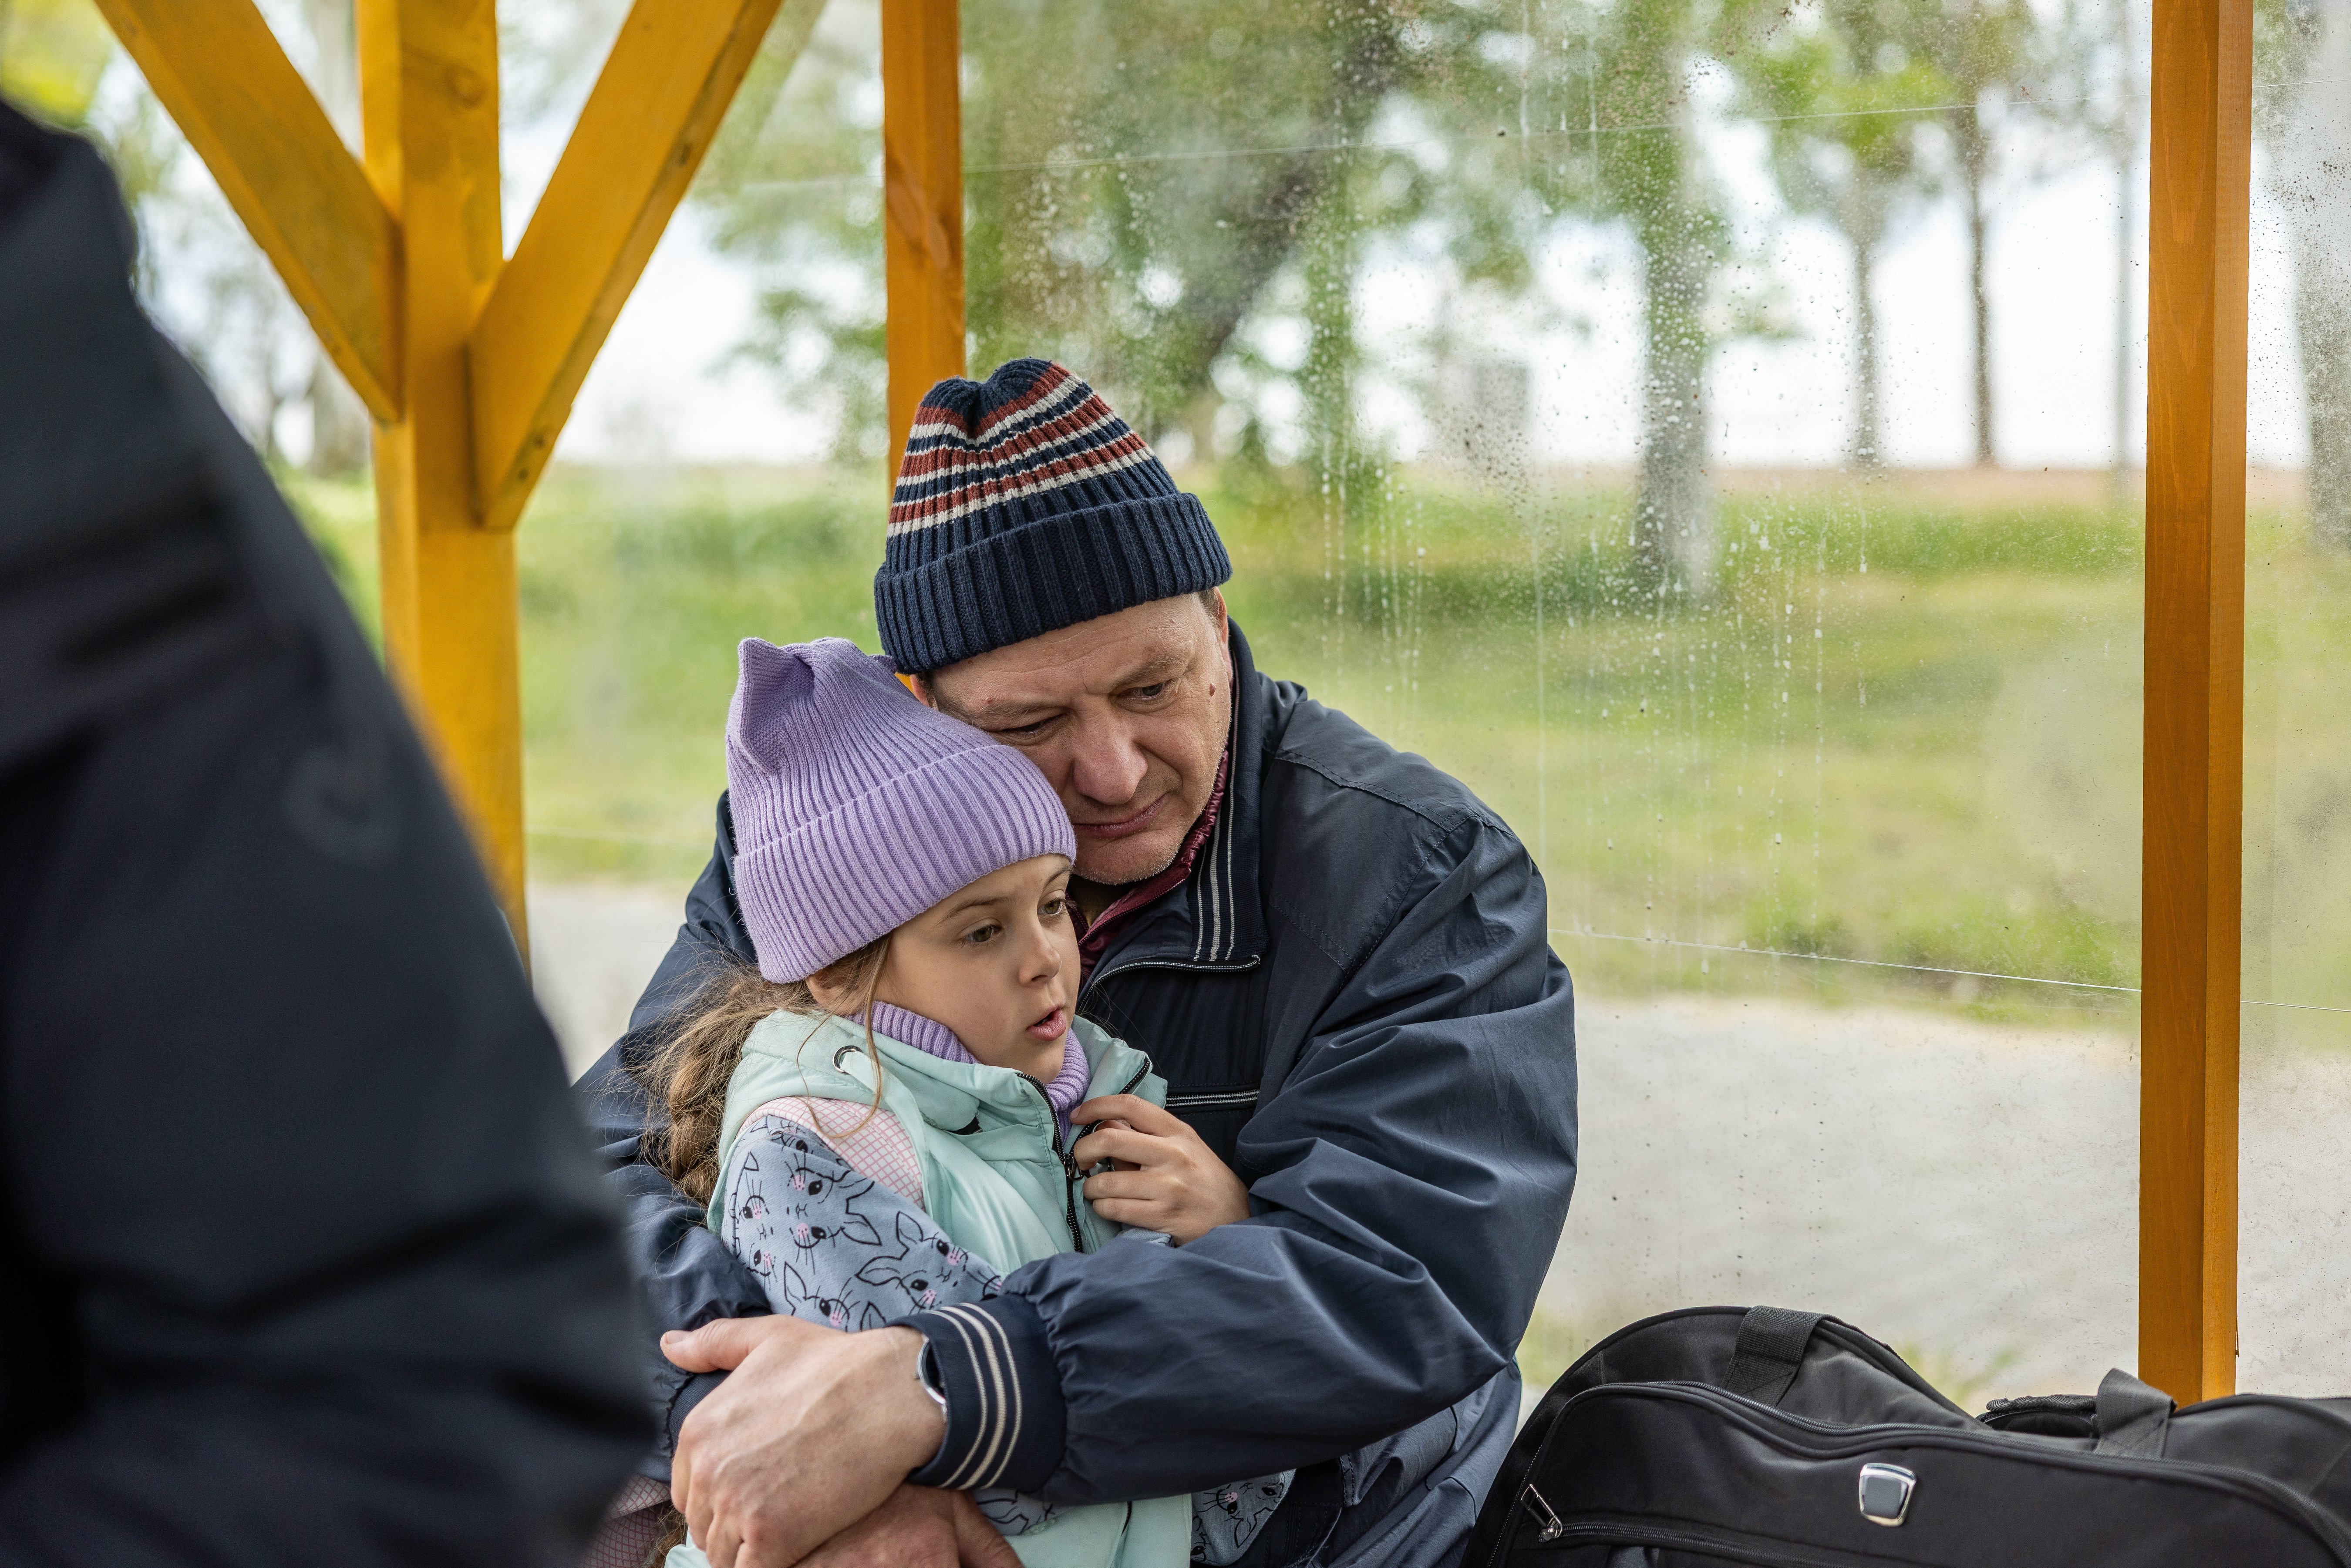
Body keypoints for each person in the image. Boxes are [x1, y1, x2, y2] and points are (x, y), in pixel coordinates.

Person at [577, 359, 1579, 1568]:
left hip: (1317, 1519)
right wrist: (774, 1439)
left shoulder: (1421, 874)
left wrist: (937, 1397)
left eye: (1151, 686)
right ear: (923, 704)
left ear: (1217, 623)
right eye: (1028, 726)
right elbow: (587, 1181)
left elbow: (1397, 1282)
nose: (1111, 770)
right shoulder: (821, 846)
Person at [0, 102, 649, 1565]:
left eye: (1156, 687)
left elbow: (448, 1357)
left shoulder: (68, 486)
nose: (1108, 766)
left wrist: (974, 1387)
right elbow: (642, 1182)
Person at [639, 635, 1296, 1568]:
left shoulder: (1090, 1086)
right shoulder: (822, 1152)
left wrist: (1228, 1227)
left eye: (1054, 901)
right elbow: (998, 1466)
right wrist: (1222, 1274)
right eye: (983, 930)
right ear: (836, 971)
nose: (1046, 956)